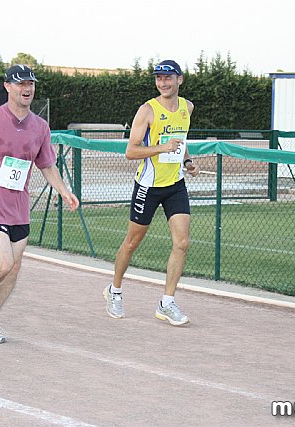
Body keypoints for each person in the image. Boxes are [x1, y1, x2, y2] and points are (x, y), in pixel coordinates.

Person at [0, 64, 79, 344]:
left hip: (19, 207)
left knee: (14, 267)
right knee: (4, 264)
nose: (27, 89)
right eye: (20, 84)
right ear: (7, 86)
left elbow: (47, 165)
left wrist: (64, 191)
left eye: (30, 84)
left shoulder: (40, 127)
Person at [103, 60, 200, 326]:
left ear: (180, 80)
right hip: (148, 187)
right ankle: (115, 290)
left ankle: (166, 303)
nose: (163, 83)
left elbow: (180, 142)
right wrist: (161, 148)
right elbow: (131, 151)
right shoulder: (147, 111)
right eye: (158, 78)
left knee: (182, 243)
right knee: (132, 243)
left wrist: (187, 162)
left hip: (175, 186)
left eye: (168, 78)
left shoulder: (187, 107)